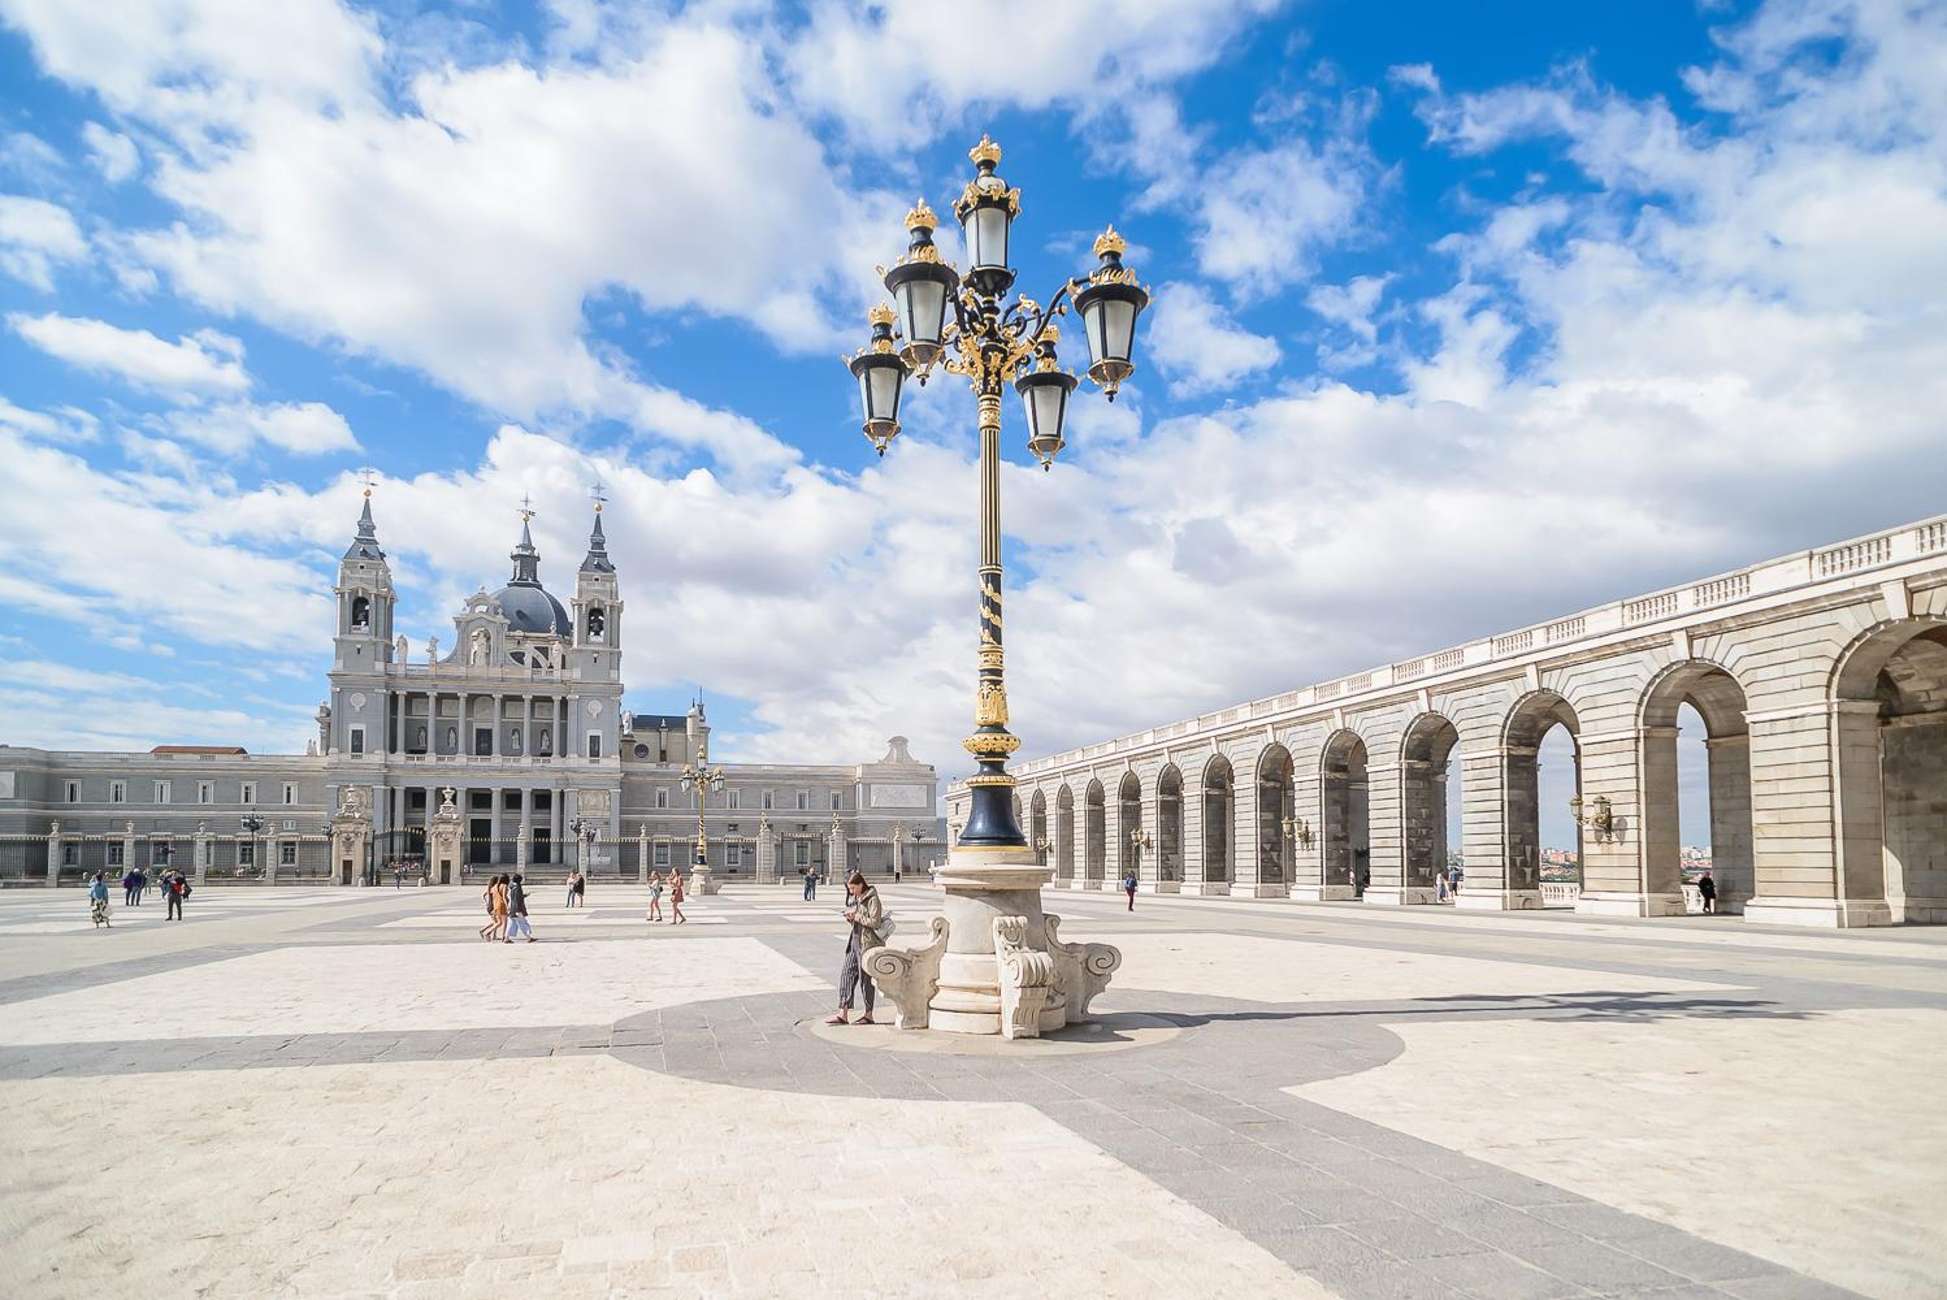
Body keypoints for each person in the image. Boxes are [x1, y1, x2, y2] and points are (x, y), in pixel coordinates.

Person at [828, 872, 884, 1026]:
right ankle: (843, 1013)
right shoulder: (857, 899)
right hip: (854, 941)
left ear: (860, 884)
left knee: (865, 980)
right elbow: (859, 921)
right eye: (849, 889)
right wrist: (851, 919)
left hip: (866, 944)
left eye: (853, 888)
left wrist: (857, 916)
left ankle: (869, 1014)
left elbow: (875, 922)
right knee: (846, 974)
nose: (851, 892)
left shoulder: (873, 899)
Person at [505, 873, 534, 942]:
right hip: (517, 909)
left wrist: (524, 895)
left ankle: (506, 938)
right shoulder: (518, 887)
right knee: (522, 923)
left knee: (511, 923)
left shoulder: (512, 887)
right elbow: (517, 899)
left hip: (512, 908)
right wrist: (519, 910)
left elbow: (515, 897)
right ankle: (528, 937)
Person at [478, 874, 500, 941]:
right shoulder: (494, 889)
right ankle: (483, 930)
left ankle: (494, 936)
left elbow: (483, 895)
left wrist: (486, 902)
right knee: (497, 922)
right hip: (493, 907)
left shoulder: (489, 888)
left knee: (495, 922)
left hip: (489, 906)